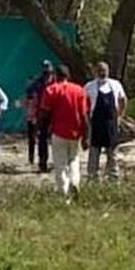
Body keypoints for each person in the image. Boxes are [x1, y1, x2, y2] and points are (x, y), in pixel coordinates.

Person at [40, 65, 90, 200]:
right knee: (74, 159)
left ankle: (64, 192)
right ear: (68, 75)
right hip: (75, 132)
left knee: (60, 163)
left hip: (58, 131)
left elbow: (45, 113)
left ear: (56, 75)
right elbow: (84, 115)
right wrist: (86, 136)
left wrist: (41, 129)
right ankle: (75, 181)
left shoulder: (51, 90)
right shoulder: (79, 90)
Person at [84, 62, 127, 180]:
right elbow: (84, 106)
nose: (102, 73)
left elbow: (123, 100)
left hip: (111, 124)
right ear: (95, 72)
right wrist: (87, 121)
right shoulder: (89, 86)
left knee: (112, 153)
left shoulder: (116, 84)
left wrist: (120, 117)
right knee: (94, 152)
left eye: (104, 70)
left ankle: (113, 177)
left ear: (108, 71)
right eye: (100, 70)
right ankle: (92, 177)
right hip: (96, 124)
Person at [26, 60, 55, 171]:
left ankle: (56, 163)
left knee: (56, 140)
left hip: (55, 114)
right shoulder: (36, 84)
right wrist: (32, 114)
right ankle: (42, 163)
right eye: (45, 72)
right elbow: (30, 97)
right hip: (41, 114)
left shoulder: (56, 83)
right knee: (42, 139)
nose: (47, 75)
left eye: (49, 72)